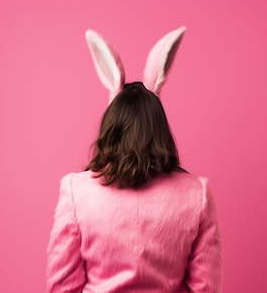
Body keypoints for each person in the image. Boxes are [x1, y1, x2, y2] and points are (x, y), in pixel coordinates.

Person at [46, 28, 223, 292]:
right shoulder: (197, 193)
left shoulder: (75, 191)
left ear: (111, 128)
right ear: (159, 129)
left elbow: (61, 287)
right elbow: (206, 288)